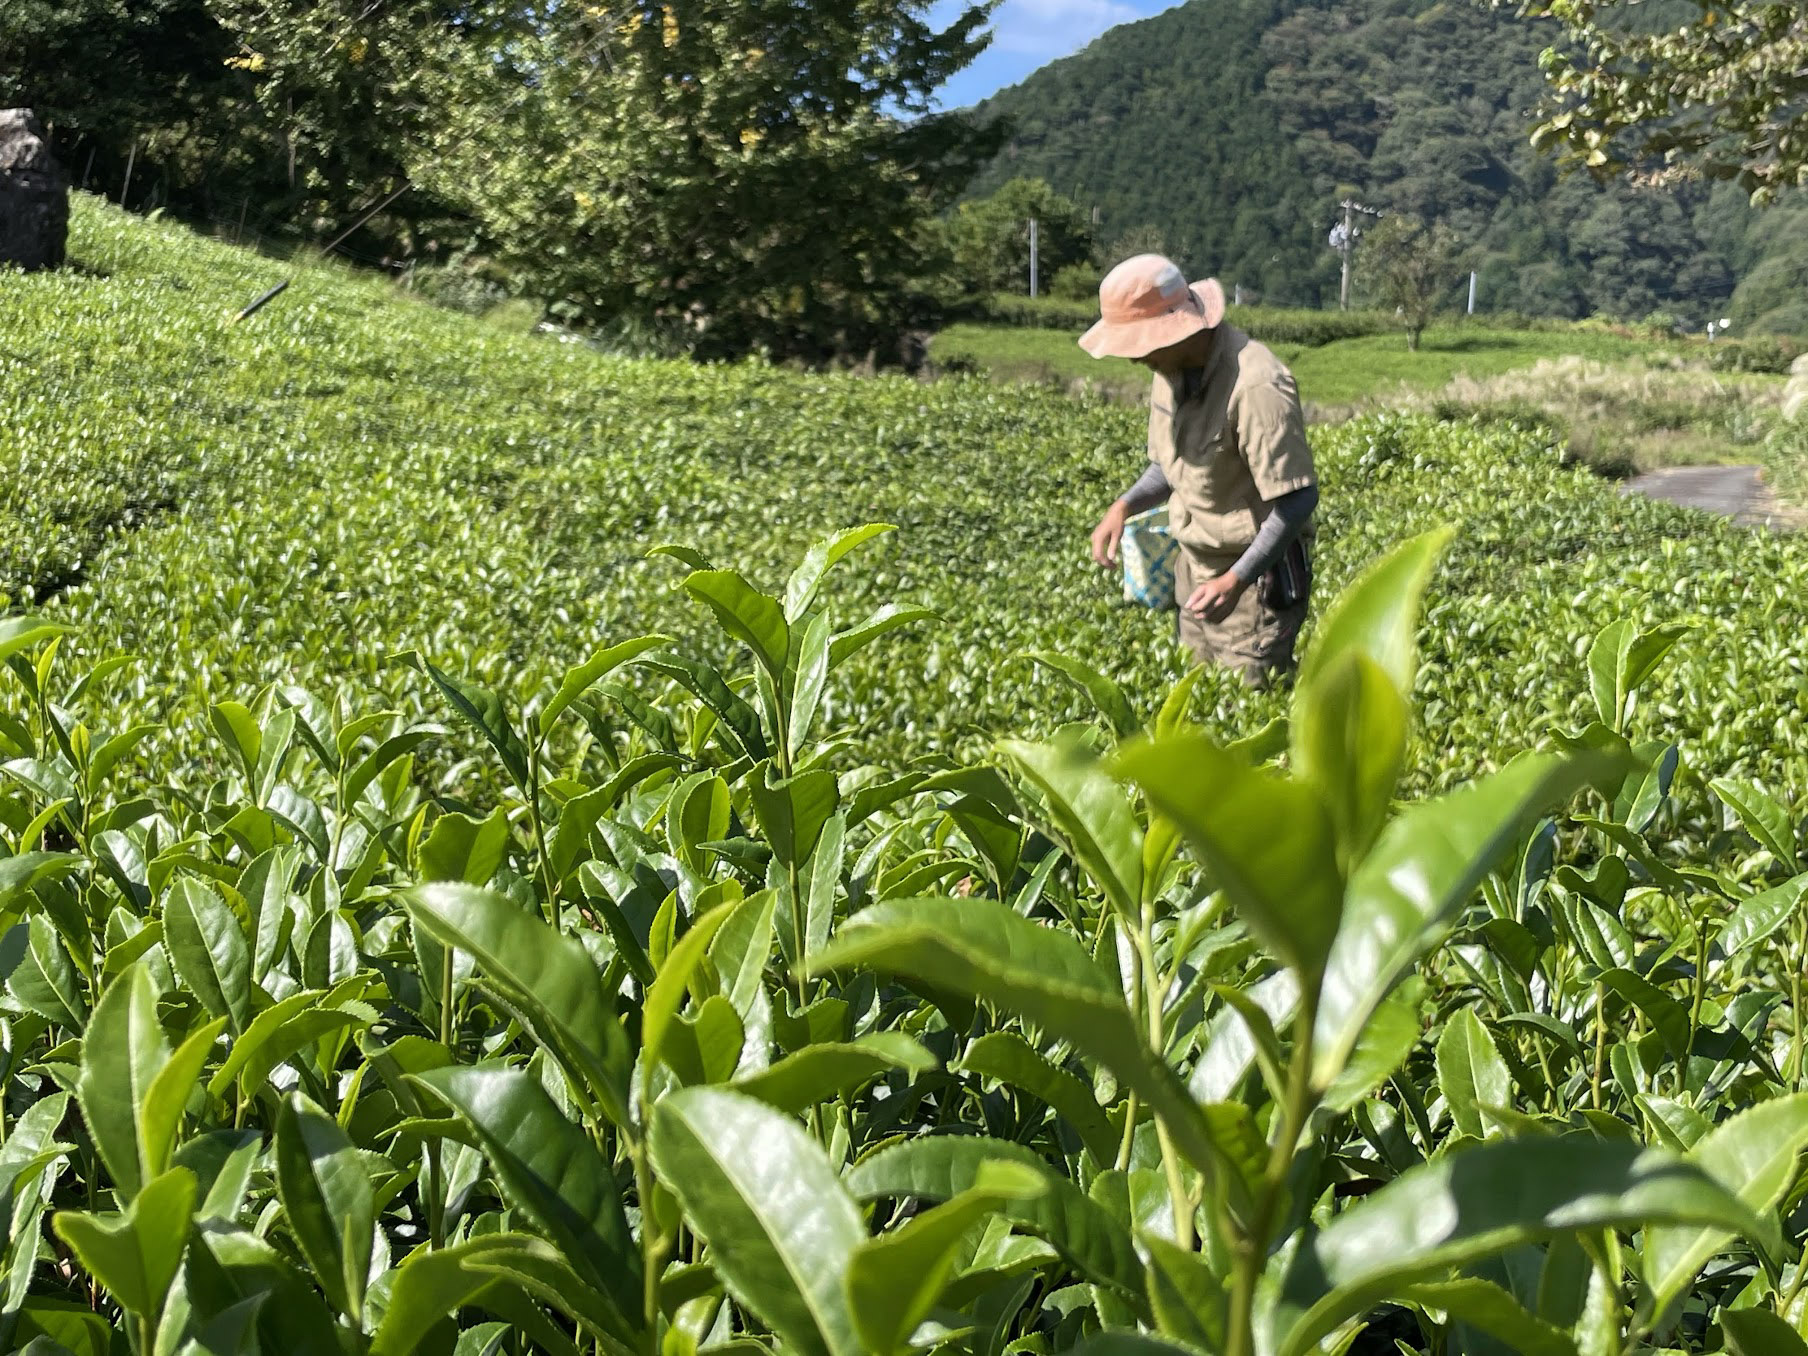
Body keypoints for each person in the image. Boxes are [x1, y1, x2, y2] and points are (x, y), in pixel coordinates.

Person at [1080, 254, 1318, 687]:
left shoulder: (1257, 385)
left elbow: (1297, 498)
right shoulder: (1168, 367)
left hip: (1253, 588)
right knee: (1199, 704)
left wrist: (1236, 579)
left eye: (1140, 345)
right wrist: (1125, 505)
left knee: (1250, 717)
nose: (1135, 359)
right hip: (1193, 573)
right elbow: (1171, 466)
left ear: (1180, 330)